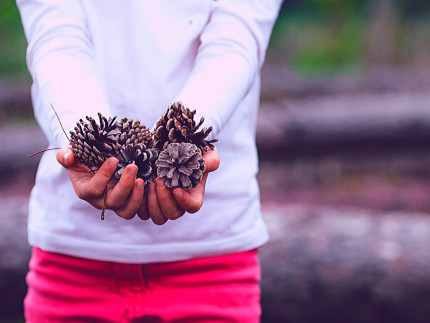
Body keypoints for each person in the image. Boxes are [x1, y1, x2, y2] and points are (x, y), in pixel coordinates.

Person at [17, 1, 282, 322]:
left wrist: (188, 134)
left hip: (213, 258)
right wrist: (86, 140)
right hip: (72, 261)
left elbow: (237, 36)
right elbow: (55, 35)